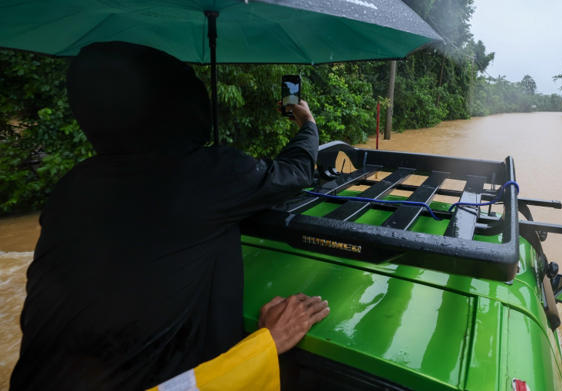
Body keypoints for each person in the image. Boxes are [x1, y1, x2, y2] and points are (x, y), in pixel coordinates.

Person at [10, 42, 327, 390]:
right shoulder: (210, 175)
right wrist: (307, 122)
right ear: (186, 107)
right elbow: (295, 172)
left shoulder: (69, 189)